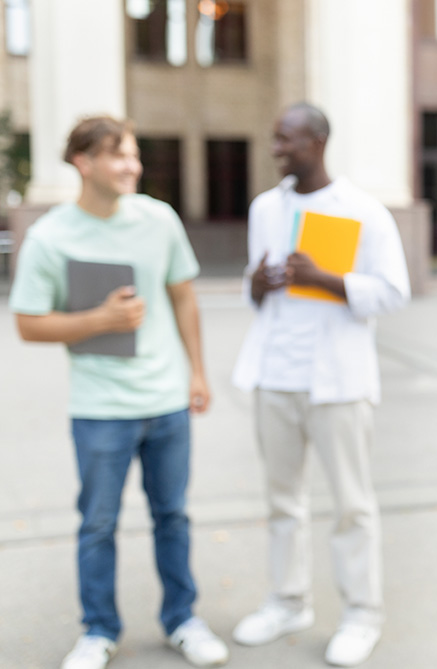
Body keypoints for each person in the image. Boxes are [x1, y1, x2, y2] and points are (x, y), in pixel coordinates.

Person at [9, 117, 228, 669]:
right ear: (83, 162)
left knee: (172, 516)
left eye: (133, 155)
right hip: (99, 410)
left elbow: (183, 297)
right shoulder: (52, 236)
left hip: (166, 404)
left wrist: (197, 372)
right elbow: (29, 324)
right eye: (118, 156)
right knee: (98, 523)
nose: (132, 165)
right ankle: (98, 630)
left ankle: (183, 619)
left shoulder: (159, 220)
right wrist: (98, 319)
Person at [230, 102, 410, 667]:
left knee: (352, 506)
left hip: (337, 381)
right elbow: (254, 290)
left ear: (318, 141)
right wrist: (255, 283)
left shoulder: (363, 211)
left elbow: (393, 291)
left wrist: (327, 281)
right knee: (282, 501)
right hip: (274, 376)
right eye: (274, 138)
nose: (277, 148)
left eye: (287, 139)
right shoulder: (266, 207)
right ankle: (288, 601)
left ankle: (362, 615)